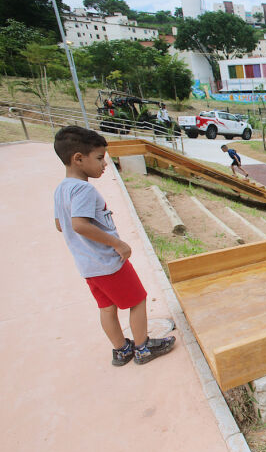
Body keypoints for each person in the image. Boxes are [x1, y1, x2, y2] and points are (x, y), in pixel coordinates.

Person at [52, 126, 175, 366]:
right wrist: (117, 243)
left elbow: (61, 224)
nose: (104, 164)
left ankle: (121, 350)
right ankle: (143, 348)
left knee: (107, 308)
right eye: (99, 158)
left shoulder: (61, 189)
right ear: (78, 159)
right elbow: (80, 225)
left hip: (88, 266)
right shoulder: (83, 189)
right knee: (138, 300)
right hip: (108, 262)